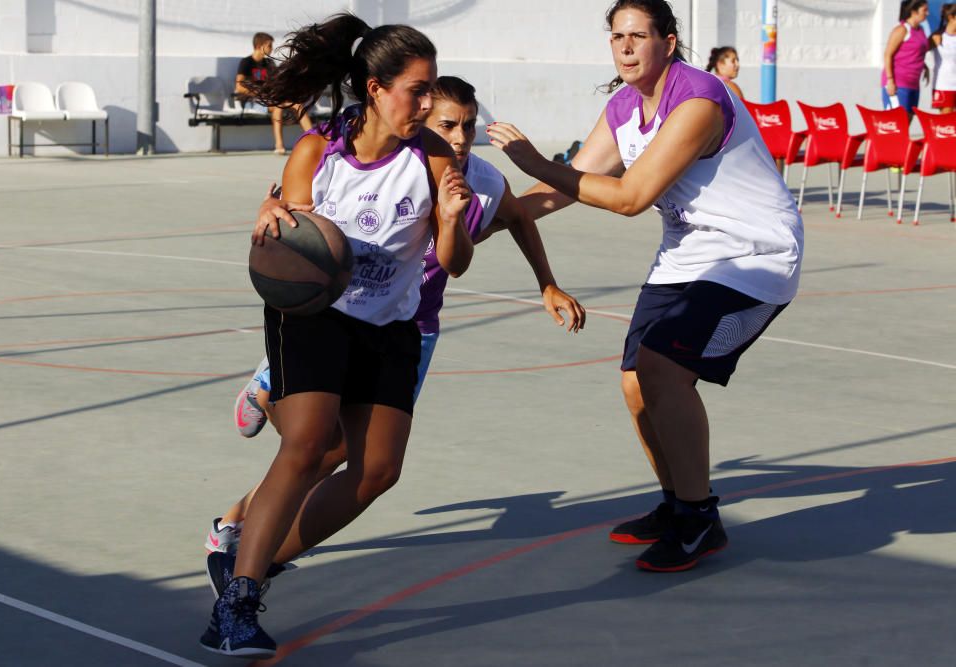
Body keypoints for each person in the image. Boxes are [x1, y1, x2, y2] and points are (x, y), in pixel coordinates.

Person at [486, 0, 803, 573]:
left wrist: (531, 157)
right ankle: (679, 503)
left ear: (670, 41)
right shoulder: (625, 106)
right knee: (637, 384)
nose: (625, 47)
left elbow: (629, 197)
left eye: (638, 36)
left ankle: (700, 519)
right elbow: (566, 188)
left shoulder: (700, 100)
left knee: (661, 370)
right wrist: (482, 223)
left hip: (753, 254)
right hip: (686, 254)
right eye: (616, 37)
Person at [211, 75, 586, 557]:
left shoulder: (484, 181)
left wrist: (547, 282)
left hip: (412, 326)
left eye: (469, 127)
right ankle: (266, 385)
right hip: (344, 315)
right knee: (313, 447)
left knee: (341, 455)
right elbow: (297, 204)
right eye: (448, 125)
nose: (460, 138)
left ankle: (236, 526)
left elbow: (517, 215)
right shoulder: (390, 168)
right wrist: (271, 202)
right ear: (420, 127)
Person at [199, 14, 477, 657]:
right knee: (306, 444)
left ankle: (252, 564)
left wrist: (454, 220)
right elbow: (289, 241)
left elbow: (454, 262)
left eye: (432, 88)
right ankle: (236, 607)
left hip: (392, 323)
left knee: (377, 470)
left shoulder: (434, 157)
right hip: (315, 314)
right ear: (376, 89)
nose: (429, 102)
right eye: (418, 89)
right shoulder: (317, 152)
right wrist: (270, 217)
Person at [235, 31, 314, 154]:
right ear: (259, 46)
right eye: (269, 46)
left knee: (298, 105)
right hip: (252, 101)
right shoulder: (246, 63)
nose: (271, 49)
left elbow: (277, 83)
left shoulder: (269, 63)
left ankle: (314, 139)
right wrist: (258, 92)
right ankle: (279, 145)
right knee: (278, 108)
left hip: (270, 99)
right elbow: (239, 87)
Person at [882, 0, 932, 118]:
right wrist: (890, 80)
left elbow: (915, 52)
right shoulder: (902, 30)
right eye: (924, 10)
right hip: (898, 83)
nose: (928, 13)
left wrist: (924, 66)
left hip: (913, 83)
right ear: (913, 11)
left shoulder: (921, 30)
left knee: (908, 119)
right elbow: (888, 54)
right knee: (897, 123)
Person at [930, 3, 956, 114]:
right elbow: (918, 52)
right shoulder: (937, 36)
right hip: (944, 85)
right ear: (951, 17)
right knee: (946, 122)